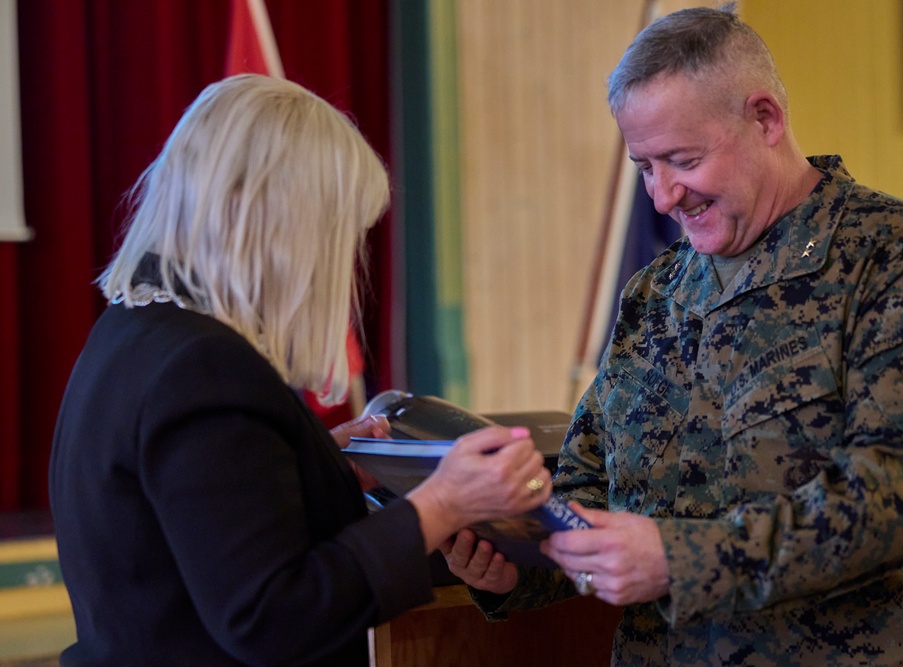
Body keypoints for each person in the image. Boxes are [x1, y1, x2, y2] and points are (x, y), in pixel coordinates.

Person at [444, 5, 903, 666]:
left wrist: (680, 558)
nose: (664, 196)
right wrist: (517, 562)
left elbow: (898, 497)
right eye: (645, 166)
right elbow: (590, 482)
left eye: (682, 159)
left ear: (764, 119)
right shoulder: (655, 293)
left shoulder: (895, 256)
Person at [48, 73, 553, 667]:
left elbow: (209, 514)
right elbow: (272, 618)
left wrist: (320, 462)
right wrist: (441, 502)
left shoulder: (132, 329)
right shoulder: (204, 367)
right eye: (335, 232)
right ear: (267, 219)